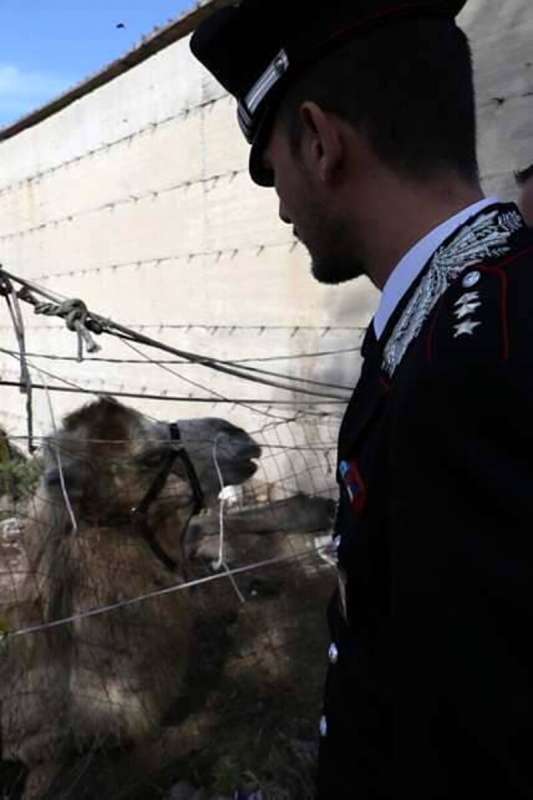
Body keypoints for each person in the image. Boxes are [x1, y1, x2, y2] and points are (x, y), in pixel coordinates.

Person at [190, 2, 533, 797]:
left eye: (273, 171)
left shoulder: (471, 366)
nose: (279, 208)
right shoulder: (467, 311)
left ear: (318, 140)